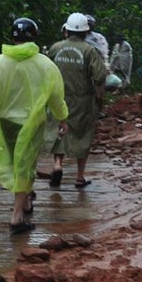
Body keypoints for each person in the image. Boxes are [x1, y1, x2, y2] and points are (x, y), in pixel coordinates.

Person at [0, 17, 69, 234]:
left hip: (6, 124)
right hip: (32, 124)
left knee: (17, 164)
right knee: (25, 165)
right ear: (34, 36)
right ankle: (16, 218)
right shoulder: (45, 65)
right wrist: (62, 119)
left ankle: (25, 203)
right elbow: (56, 97)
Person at [47, 12, 107, 189]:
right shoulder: (90, 51)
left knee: (59, 132)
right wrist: (99, 97)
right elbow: (100, 76)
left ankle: (57, 164)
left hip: (58, 99)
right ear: (85, 32)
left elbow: (46, 71)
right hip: (82, 101)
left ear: (67, 30)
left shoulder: (55, 48)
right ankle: (80, 177)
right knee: (83, 135)